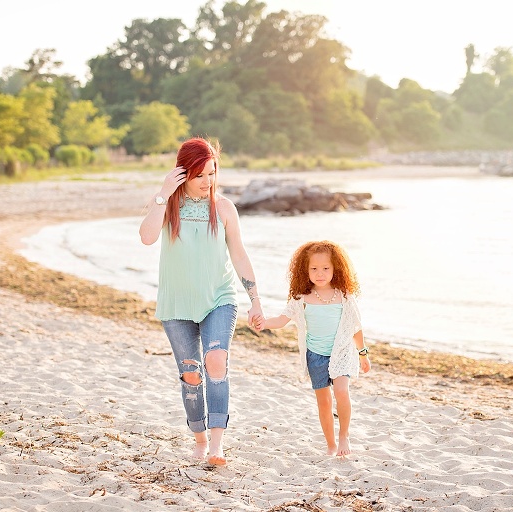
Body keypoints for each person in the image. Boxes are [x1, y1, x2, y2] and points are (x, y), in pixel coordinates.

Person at [139, 137, 264, 466]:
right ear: (183, 174)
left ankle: (216, 445)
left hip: (219, 300)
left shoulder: (223, 208)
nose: (207, 182)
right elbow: (147, 236)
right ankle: (198, 439)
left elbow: (238, 253)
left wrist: (255, 300)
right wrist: (162, 194)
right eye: (200, 175)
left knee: (216, 363)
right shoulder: (168, 205)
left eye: (212, 174)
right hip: (177, 305)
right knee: (191, 375)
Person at [257, 240, 370, 457]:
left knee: (341, 392)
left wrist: (363, 354)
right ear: (305, 270)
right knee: (324, 402)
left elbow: (354, 327)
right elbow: (282, 320)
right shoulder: (302, 298)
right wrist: (263, 323)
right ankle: (330, 444)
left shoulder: (344, 296)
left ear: (336, 268)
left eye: (326, 268)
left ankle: (344, 434)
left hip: (342, 352)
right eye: (314, 269)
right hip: (315, 355)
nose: (320, 273)